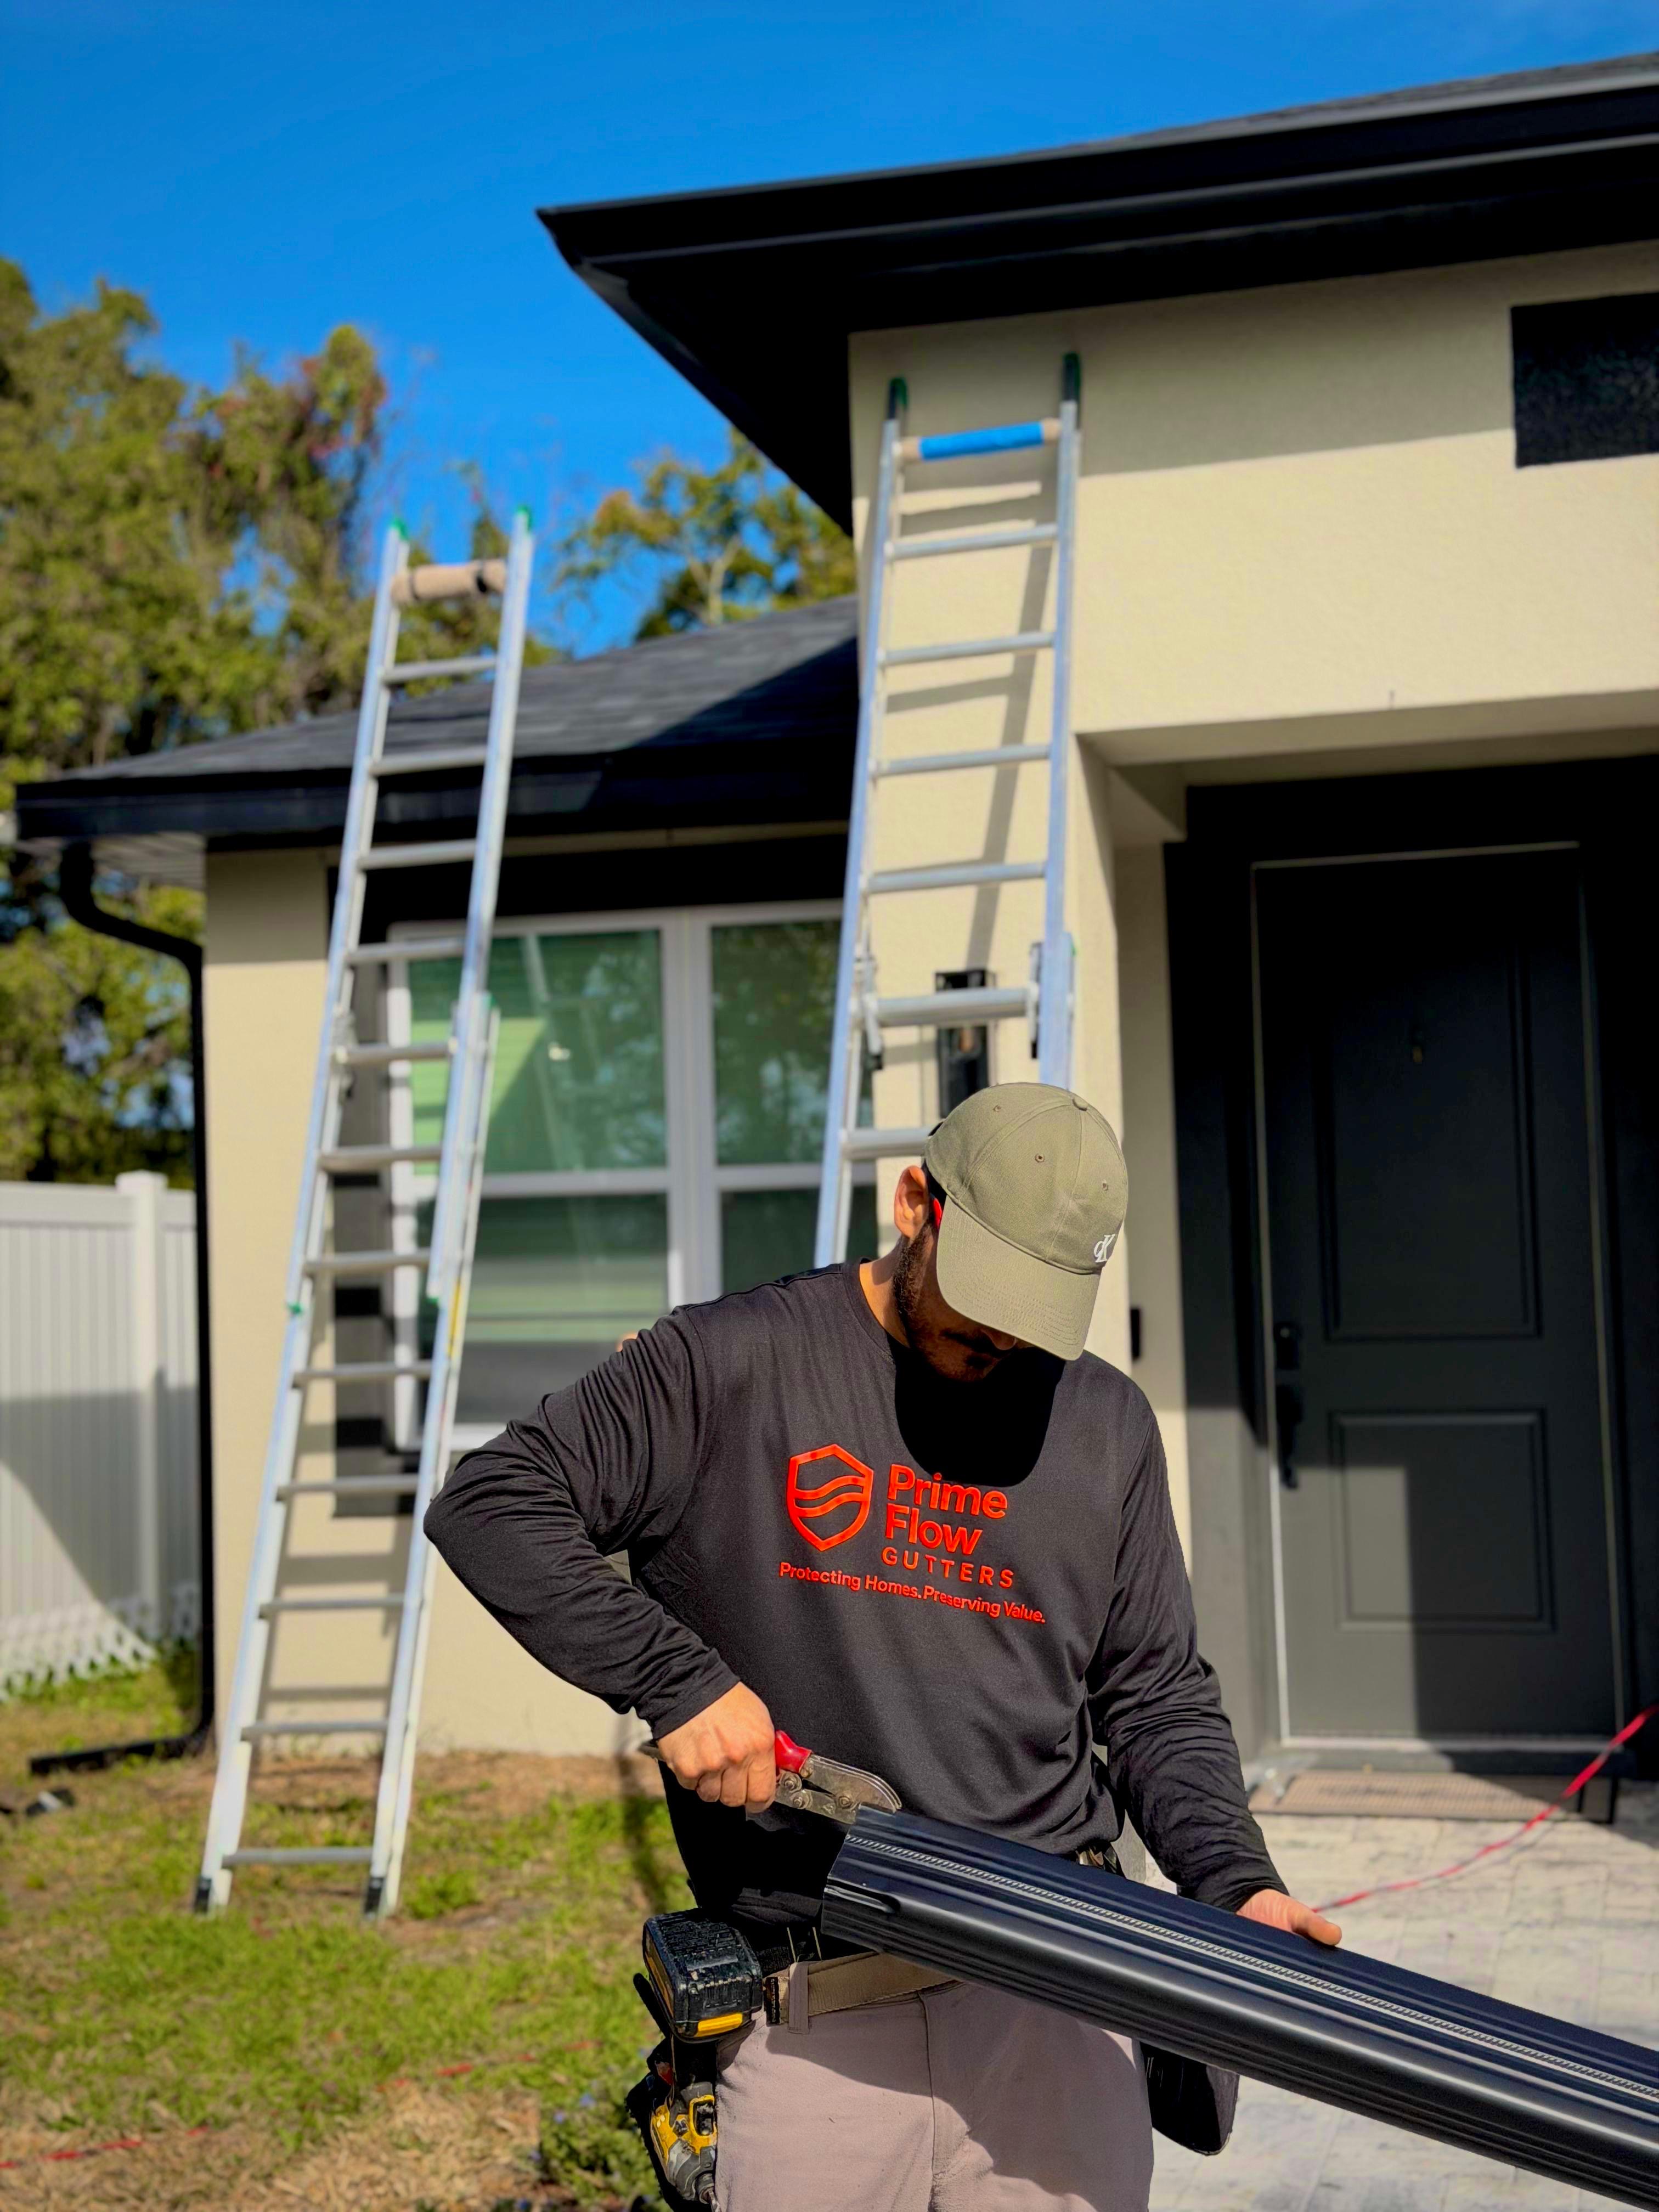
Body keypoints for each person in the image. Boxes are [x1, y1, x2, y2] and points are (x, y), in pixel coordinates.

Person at [426, 1082, 1339, 2212]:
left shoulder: (1105, 1426)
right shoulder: (730, 1366)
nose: (999, 1342)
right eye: (979, 1305)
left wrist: (1235, 1882)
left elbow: (1153, 1695)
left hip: (1059, 1996)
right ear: (918, 1203)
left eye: (1033, 1318)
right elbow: (494, 1502)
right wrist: (677, 1682)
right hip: (817, 2021)